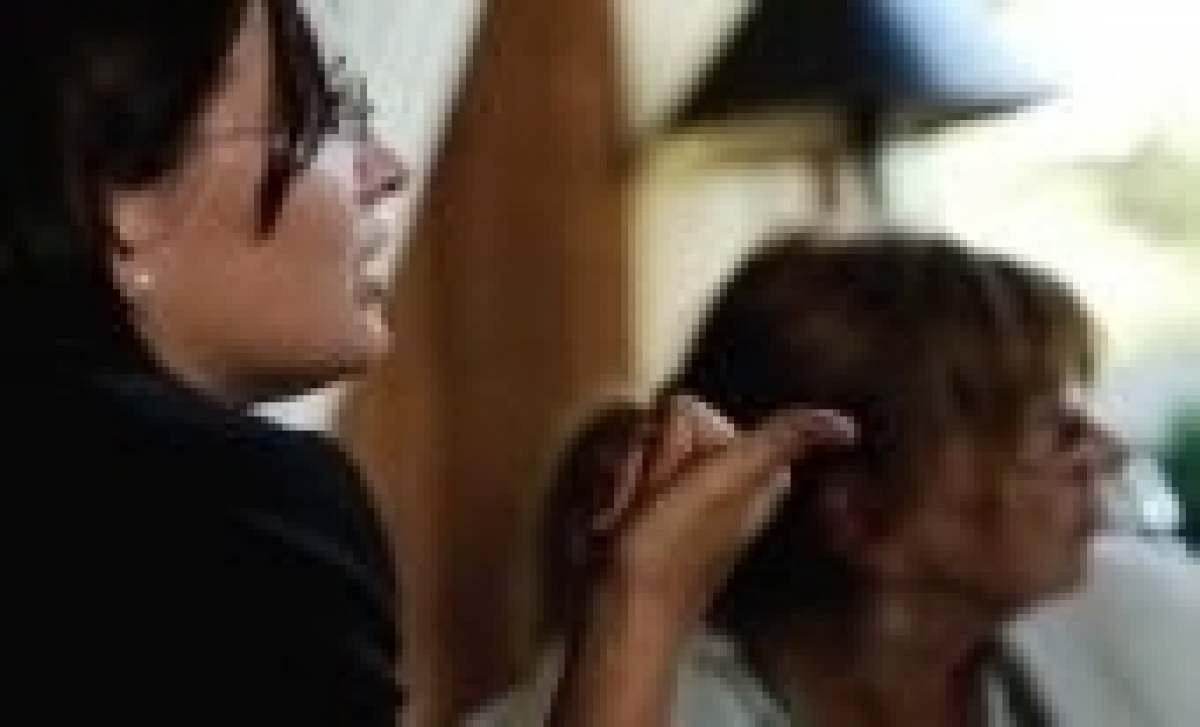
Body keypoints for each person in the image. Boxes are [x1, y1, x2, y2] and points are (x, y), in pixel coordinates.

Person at [4, 1, 847, 723]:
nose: (388, 169)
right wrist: (644, 604)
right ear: (130, 195)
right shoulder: (231, 507)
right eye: (325, 115)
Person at [473, 230, 1200, 727]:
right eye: (1051, 432)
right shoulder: (616, 703)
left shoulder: (1137, 615)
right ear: (860, 516)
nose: (1107, 453)